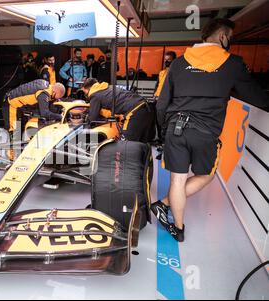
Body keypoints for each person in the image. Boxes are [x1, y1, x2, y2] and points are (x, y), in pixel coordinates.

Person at [153, 18, 269, 242]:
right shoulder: (233, 63)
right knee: (205, 176)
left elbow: (161, 104)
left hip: (175, 129)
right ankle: (163, 205)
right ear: (223, 37)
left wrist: (164, 131)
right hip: (205, 131)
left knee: (177, 179)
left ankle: (178, 228)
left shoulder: (178, 63)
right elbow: (257, 97)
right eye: (230, 38)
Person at [81, 78, 153, 142]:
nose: (86, 95)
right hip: (146, 107)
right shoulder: (107, 88)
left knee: (125, 144)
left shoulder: (95, 95)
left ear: (88, 89)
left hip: (134, 111)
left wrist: (84, 129)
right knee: (141, 142)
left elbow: (92, 118)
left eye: (85, 92)